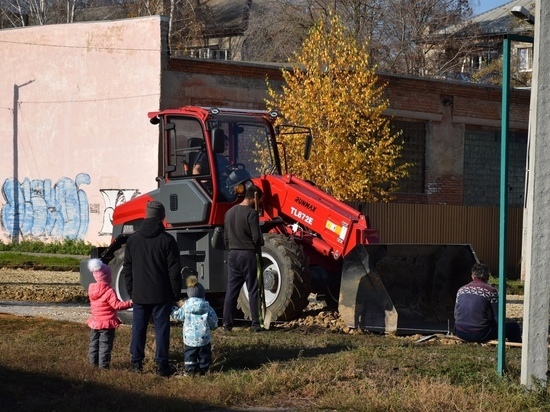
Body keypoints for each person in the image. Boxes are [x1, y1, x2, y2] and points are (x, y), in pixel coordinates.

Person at [122, 200, 182, 377]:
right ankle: (162, 365)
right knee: (162, 329)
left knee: (138, 328)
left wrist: (131, 291)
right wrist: (175, 293)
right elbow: (174, 271)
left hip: (140, 294)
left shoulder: (132, 240)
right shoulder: (167, 240)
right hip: (161, 293)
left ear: (146, 215)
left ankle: (136, 363)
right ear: (162, 217)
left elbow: (128, 268)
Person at [222, 184, 264, 332]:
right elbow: (256, 238)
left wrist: (232, 249)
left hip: (233, 254)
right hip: (248, 254)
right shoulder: (251, 214)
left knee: (232, 290)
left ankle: (227, 323)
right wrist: (261, 242)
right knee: (252, 289)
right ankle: (256, 324)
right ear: (254, 197)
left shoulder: (229, 213)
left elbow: (225, 238)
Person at [454, 263, 521, 343]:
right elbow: (497, 318)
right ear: (488, 277)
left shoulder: (461, 290)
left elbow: (456, 314)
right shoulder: (490, 291)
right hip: (480, 333)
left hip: (459, 331)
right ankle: (515, 346)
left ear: (472, 276)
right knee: (514, 327)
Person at [86, 258, 133, 369]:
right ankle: (103, 367)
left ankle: (93, 365)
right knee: (105, 345)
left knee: (94, 344)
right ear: (108, 277)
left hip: (95, 322)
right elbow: (116, 306)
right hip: (107, 324)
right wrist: (131, 303)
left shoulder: (91, 289)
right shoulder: (109, 291)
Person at [171, 275, 218, 376]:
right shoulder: (207, 307)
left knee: (190, 354)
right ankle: (204, 370)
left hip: (190, 338)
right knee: (204, 354)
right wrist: (214, 327)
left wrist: (171, 309)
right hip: (204, 338)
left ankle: (190, 370)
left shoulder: (186, 307)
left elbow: (178, 315)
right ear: (202, 294)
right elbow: (213, 321)